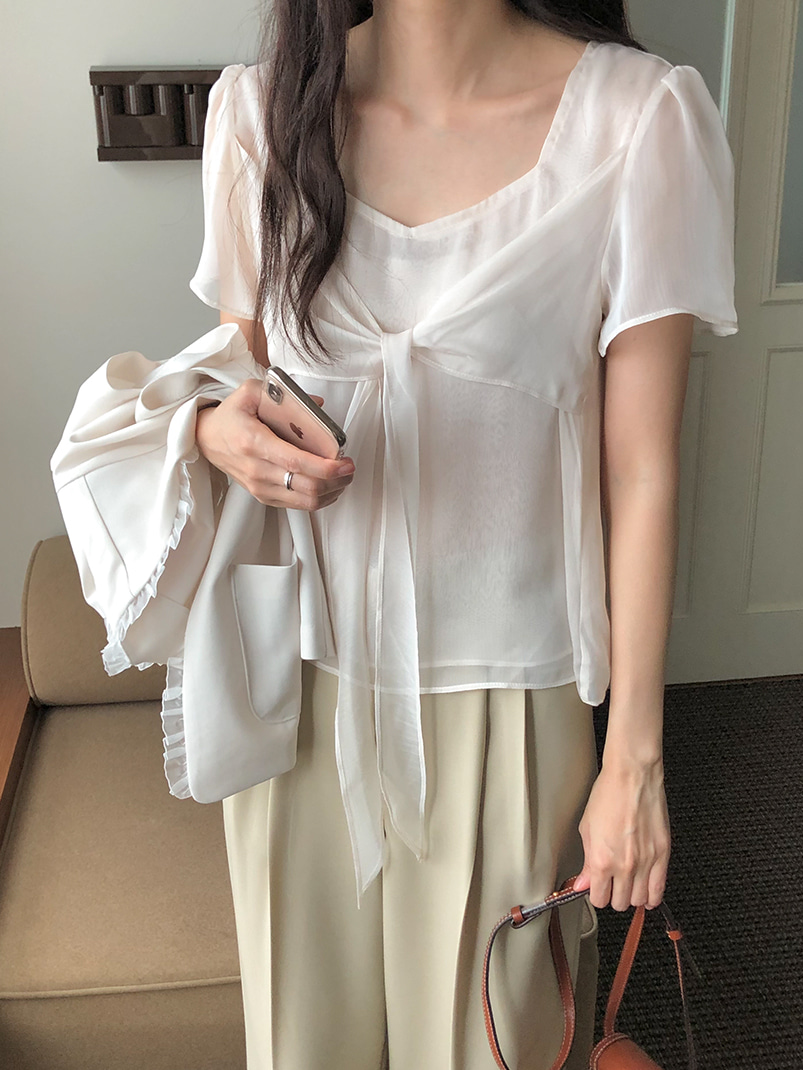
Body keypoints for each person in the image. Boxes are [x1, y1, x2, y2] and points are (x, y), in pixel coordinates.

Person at [59, 2, 737, 1068]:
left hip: (511, 706)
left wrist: (635, 759)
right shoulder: (261, 117)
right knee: (303, 1044)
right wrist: (215, 427)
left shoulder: (637, 121)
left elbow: (642, 470)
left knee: (492, 1044)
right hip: (298, 686)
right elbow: (244, 371)